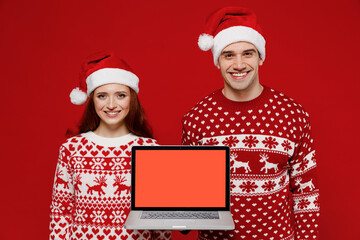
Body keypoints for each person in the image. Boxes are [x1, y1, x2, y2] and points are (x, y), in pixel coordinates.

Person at [182, 7, 320, 240]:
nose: (238, 64)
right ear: (217, 62)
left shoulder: (292, 114)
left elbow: (306, 192)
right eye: (228, 55)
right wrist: (179, 212)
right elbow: (190, 192)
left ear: (260, 57)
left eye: (247, 53)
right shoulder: (197, 118)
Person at [49, 51, 171, 240]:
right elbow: (61, 212)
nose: (111, 104)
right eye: (102, 96)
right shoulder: (71, 149)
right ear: (92, 100)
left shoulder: (150, 149)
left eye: (120, 95)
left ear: (131, 99)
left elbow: (159, 218)